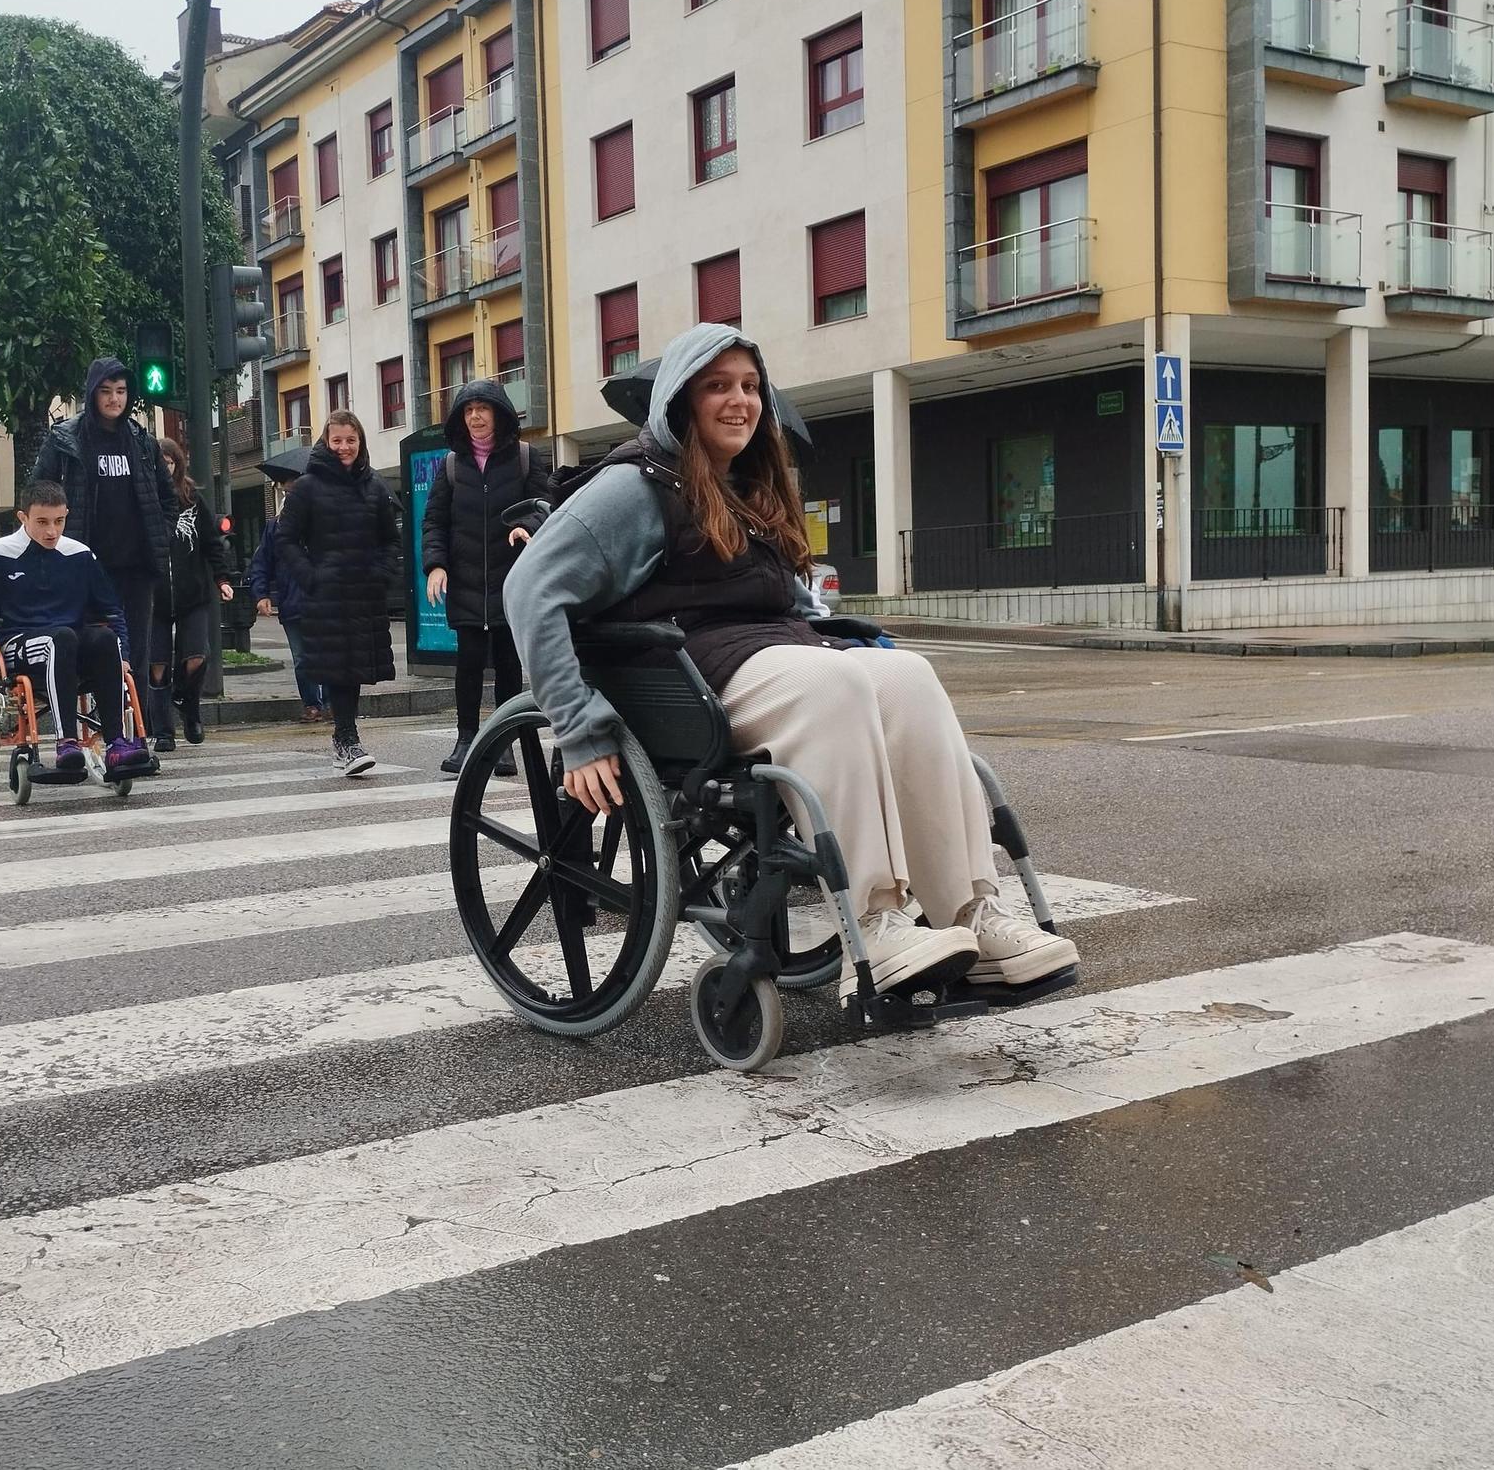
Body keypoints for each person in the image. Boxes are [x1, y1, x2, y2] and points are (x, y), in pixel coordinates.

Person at [507, 324, 1079, 1008]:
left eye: (750, 386)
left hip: (775, 652)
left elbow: (788, 599)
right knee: (832, 683)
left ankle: (970, 914)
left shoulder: (748, 486)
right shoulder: (634, 486)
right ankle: (875, 919)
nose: (739, 401)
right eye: (717, 386)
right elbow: (529, 590)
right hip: (692, 675)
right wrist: (579, 729)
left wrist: (846, 633)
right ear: (678, 401)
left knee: (909, 675)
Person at [0, 480, 145, 777]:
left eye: (59, 521)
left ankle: (116, 743)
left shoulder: (79, 554)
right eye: (42, 522)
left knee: (103, 638)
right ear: (22, 517)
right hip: (18, 644)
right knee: (60, 638)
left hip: (70, 642)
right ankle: (66, 742)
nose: (52, 531)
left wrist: (123, 653)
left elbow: (113, 611)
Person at [32, 357, 177, 740]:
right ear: (92, 393)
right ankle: (83, 732)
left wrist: (158, 536)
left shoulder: (143, 441)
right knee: (88, 648)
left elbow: (168, 499)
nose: (114, 399)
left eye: (121, 391)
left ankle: (136, 738)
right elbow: (38, 494)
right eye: (106, 391)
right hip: (81, 568)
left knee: (138, 658)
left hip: (136, 567)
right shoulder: (65, 438)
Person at [421, 380, 552, 776]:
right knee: (470, 661)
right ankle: (466, 739)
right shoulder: (450, 465)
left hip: (511, 577)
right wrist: (436, 565)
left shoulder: (527, 458)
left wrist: (527, 524)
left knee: (509, 662)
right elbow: (435, 522)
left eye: (483, 408)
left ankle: (505, 742)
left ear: (499, 413)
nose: (476, 416)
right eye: (468, 410)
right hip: (465, 579)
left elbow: (546, 504)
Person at [276, 410, 400, 777]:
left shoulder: (375, 485)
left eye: (351, 440)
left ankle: (345, 738)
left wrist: (381, 573)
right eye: (337, 440)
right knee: (337, 667)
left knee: (356, 668)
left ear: (360, 442)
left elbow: (389, 539)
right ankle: (347, 739)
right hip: (327, 594)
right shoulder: (308, 487)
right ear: (326, 443)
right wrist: (311, 577)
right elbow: (286, 538)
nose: (344, 447)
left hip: (364, 592)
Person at [150, 436, 236, 750]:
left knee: (196, 656)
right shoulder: (142, 499)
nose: (165, 467)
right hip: (154, 598)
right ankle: (162, 730)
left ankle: (190, 708)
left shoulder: (192, 499)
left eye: (170, 462)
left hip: (193, 594)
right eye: (160, 462)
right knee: (156, 664)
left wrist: (223, 578)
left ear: (178, 464)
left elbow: (213, 544)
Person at [248, 480, 327, 722]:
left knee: (328, 655)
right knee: (302, 659)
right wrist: (261, 595)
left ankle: (333, 703)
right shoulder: (276, 528)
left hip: (324, 601)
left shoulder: (322, 525)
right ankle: (312, 704)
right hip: (293, 604)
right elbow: (261, 563)